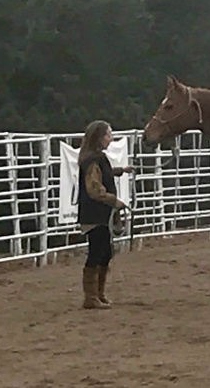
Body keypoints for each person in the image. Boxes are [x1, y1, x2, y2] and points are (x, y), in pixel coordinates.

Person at [77, 120, 133, 309]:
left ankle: (97, 294)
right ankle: (92, 296)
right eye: (108, 134)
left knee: (104, 251)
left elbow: (101, 175)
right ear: (100, 138)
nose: (111, 138)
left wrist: (119, 171)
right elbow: (94, 188)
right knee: (98, 250)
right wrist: (113, 200)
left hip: (97, 214)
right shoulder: (93, 160)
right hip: (96, 214)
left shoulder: (95, 158)